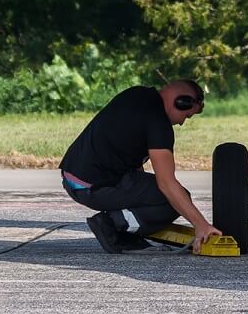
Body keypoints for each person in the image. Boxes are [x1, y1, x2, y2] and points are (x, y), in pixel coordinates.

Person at [60, 79, 222, 254]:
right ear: (181, 103)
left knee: (154, 195)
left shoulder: (136, 95)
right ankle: (113, 225)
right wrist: (201, 225)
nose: (182, 123)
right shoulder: (159, 122)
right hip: (94, 186)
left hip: (72, 177)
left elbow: (130, 160)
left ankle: (127, 226)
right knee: (174, 200)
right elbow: (167, 183)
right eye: (187, 116)